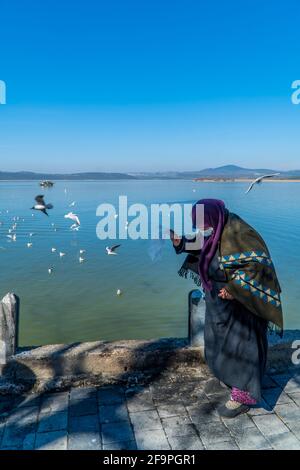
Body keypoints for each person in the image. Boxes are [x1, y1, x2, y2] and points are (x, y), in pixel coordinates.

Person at [171, 198, 283, 418]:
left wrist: (234, 289)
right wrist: (181, 243)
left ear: (213, 216)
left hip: (241, 304)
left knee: (241, 346)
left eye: (202, 223)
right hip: (219, 301)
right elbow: (204, 244)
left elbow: (258, 266)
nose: (201, 228)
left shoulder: (241, 233)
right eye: (197, 224)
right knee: (218, 341)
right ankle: (231, 380)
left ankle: (245, 395)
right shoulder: (219, 228)